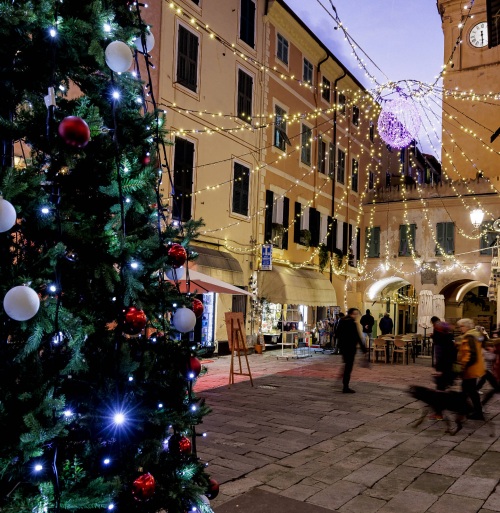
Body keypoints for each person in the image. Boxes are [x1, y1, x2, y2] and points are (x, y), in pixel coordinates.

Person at [456, 318, 485, 420]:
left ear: (467, 326)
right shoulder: (475, 334)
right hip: (474, 367)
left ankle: (472, 412)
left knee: (469, 391)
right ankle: (472, 411)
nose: (460, 329)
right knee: (470, 391)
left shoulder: (469, 336)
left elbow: (471, 354)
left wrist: (464, 367)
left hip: (470, 368)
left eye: (461, 326)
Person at [335, 307, 368, 393]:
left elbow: (337, 333)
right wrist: (363, 349)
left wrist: (340, 343)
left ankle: (342, 380)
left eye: (357, 314)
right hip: (350, 348)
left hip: (343, 347)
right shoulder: (352, 323)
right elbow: (357, 336)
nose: (356, 315)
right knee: (348, 366)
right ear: (351, 314)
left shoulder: (341, 321)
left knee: (347, 364)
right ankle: (345, 386)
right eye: (355, 314)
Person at [430, 316, 456, 391]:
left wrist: (438, 367)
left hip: (443, 363)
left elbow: (440, 355)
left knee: (441, 385)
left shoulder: (440, 338)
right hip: (449, 365)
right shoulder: (450, 337)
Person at [476, 339, 499, 406]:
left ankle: (482, 402)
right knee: (495, 388)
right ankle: (482, 402)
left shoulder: (489, 351)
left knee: (484, 381)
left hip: (487, 370)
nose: (493, 348)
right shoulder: (484, 351)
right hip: (486, 369)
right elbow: (491, 358)